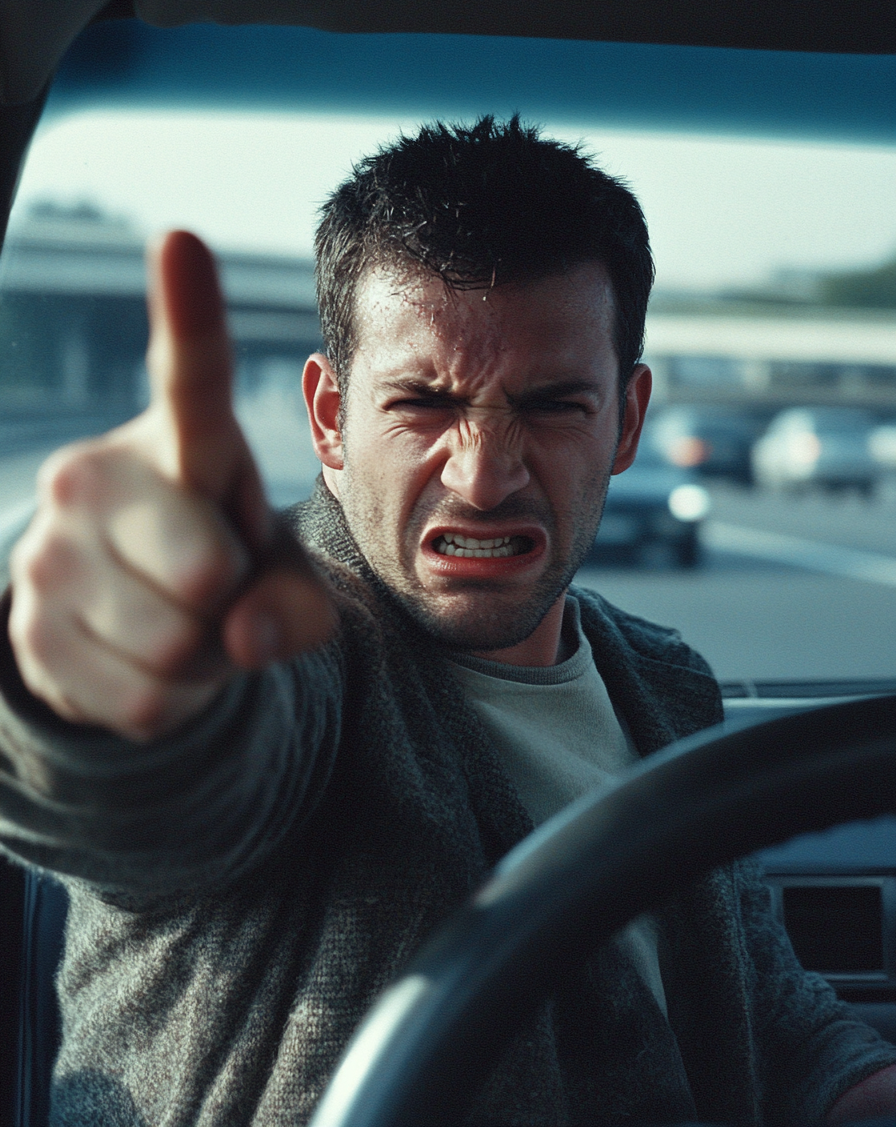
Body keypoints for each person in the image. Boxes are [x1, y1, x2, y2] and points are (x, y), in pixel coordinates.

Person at [1, 116, 894, 1125]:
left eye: (553, 405)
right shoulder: (298, 659)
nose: (481, 477)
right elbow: (162, 781)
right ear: (330, 420)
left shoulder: (662, 681)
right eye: (423, 402)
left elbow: (765, 1021)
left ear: (627, 422)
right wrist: (101, 675)